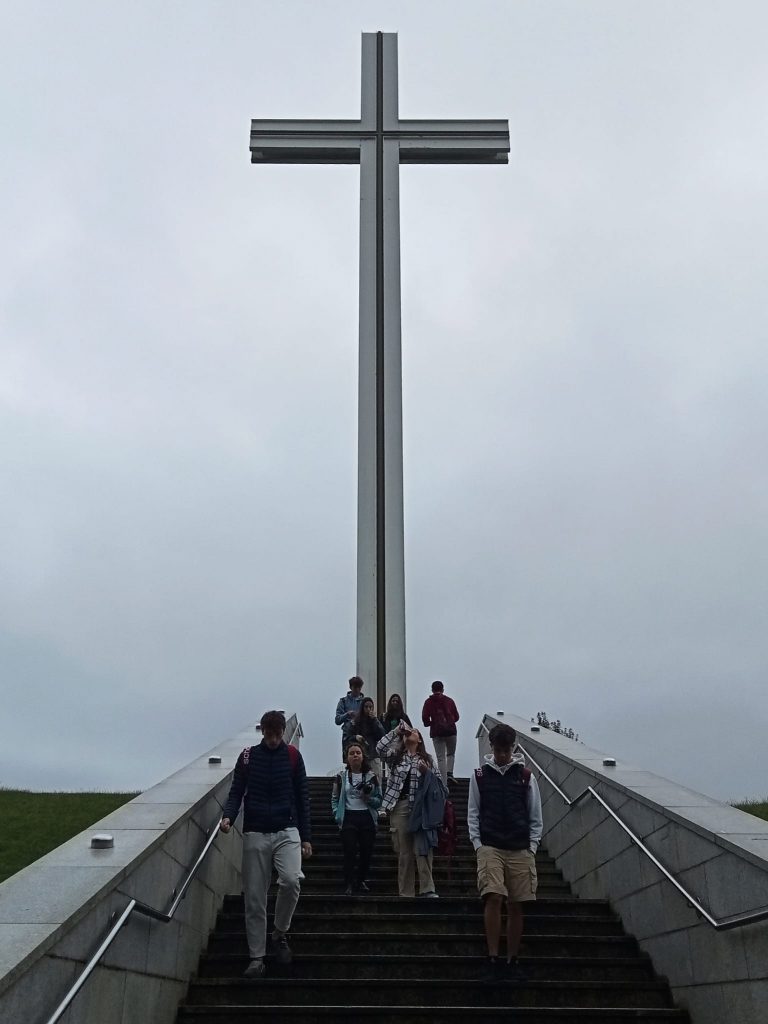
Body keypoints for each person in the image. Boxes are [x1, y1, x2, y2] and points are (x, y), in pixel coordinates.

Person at [219, 710, 312, 980]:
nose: (273, 740)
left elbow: (303, 796)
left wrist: (306, 837)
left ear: (283, 732)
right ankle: (256, 957)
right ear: (263, 732)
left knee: (292, 880)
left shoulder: (293, 756)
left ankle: (279, 932)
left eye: (277, 734)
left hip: (287, 828)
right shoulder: (248, 757)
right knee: (255, 897)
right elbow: (237, 790)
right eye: (269, 734)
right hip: (256, 830)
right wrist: (229, 816)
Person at [467, 722, 543, 980]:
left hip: (520, 845)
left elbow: (535, 813)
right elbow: (473, 811)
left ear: (513, 748)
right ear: (492, 747)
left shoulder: (525, 776)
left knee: (516, 903)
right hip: (490, 844)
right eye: (498, 750)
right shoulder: (480, 775)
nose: (501, 755)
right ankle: (492, 955)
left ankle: (512, 957)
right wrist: (477, 844)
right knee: (493, 896)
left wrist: (532, 846)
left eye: (505, 750)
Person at [377, 723, 444, 898]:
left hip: (421, 808)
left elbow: (441, 788)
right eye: (407, 733)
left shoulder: (427, 760)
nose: (409, 734)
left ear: (420, 739)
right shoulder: (396, 757)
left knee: (423, 848)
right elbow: (380, 748)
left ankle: (427, 888)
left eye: (413, 732)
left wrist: (427, 772)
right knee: (404, 852)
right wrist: (396, 732)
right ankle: (406, 892)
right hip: (399, 806)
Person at [331, 742, 383, 895]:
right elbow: (334, 797)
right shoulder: (340, 777)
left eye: (358, 753)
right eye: (352, 753)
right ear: (347, 758)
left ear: (363, 756)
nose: (355, 755)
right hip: (348, 816)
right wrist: (336, 813)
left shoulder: (372, 777)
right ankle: (348, 882)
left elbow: (379, 799)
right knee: (350, 850)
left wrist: (368, 799)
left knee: (366, 851)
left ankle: (361, 880)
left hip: (366, 816)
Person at [421, 680, 460, 788]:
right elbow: (456, 716)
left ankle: (443, 783)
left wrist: (430, 723)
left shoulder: (428, 702)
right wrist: (449, 721)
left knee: (441, 757)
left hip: (437, 732)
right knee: (451, 754)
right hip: (451, 731)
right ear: (443, 689)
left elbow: (425, 717)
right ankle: (450, 773)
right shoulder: (449, 701)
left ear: (432, 690)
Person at [348, 697, 385, 778]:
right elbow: (348, 737)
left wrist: (375, 720)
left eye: (370, 707)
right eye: (366, 707)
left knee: (376, 780)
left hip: (373, 755)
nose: (368, 709)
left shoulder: (375, 721)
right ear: (362, 708)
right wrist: (355, 737)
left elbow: (382, 735)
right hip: (359, 756)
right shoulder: (355, 721)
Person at [334, 675, 366, 755]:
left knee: (363, 759)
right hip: (348, 736)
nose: (357, 690)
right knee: (350, 759)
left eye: (359, 687)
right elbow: (337, 720)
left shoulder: (365, 702)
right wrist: (347, 714)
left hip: (362, 734)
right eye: (355, 687)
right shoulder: (343, 701)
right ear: (351, 687)